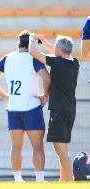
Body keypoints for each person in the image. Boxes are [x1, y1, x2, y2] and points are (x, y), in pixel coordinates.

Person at [0, 30, 51, 182]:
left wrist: (4, 95)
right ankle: (40, 180)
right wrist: (45, 96)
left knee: (16, 146)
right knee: (37, 146)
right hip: (31, 107)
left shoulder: (8, 58)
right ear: (32, 44)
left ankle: (17, 179)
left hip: (13, 107)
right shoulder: (33, 58)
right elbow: (47, 79)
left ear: (19, 43)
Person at [29, 33, 79, 181]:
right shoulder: (73, 62)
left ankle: (69, 182)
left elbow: (33, 52)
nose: (54, 47)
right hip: (69, 110)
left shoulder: (58, 63)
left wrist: (32, 39)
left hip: (60, 112)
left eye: (56, 46)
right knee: (63, 148)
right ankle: (63, 180)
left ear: (60, 49)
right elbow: (56, 53)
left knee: (60, 149)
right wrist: (44, 41)